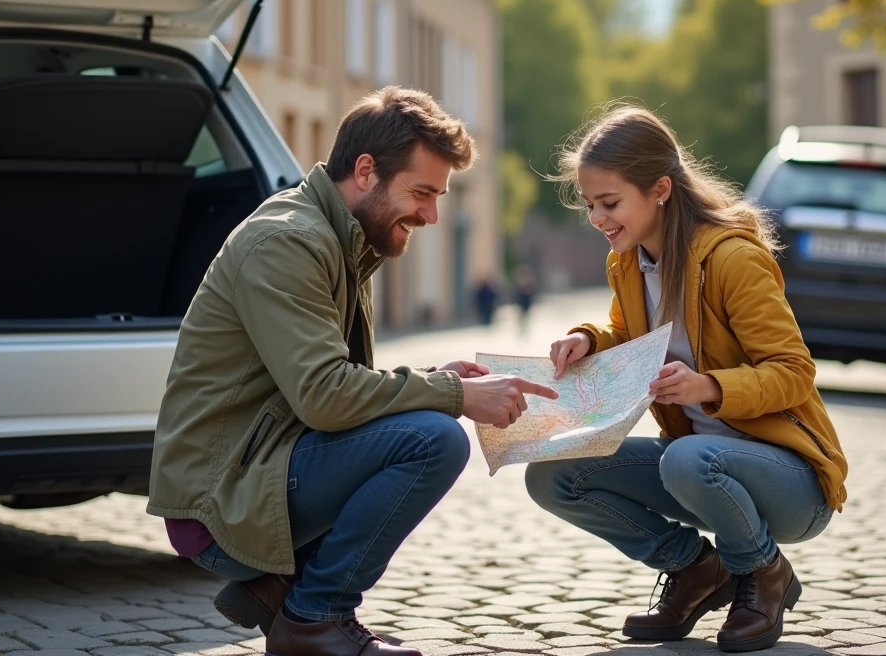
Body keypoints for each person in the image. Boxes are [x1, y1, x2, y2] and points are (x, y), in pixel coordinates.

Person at [147, 87, 557, 656]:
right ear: (366, 171)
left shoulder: (341, 237)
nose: (431, 215)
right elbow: (324, 397)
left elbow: (334, 389)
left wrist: (434, 377)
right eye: (421, 192)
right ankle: (314, 618)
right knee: (433, 440)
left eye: (437, 197)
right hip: (220, 504)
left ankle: (279, 592)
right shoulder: (289, 241)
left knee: (421, 425)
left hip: (260, 470)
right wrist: (453, 394)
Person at [526, 105, 848, 653]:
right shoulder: (628, 262)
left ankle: (763, 571)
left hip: (791, 481)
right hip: (697, 471)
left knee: (685, 456)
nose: (599, 218)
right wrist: (589, 340)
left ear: (659, 190)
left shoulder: (731, 259)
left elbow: (795, 372)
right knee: (551, 473)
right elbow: (627, 331)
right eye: (590, 205)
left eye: (610, 203)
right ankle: (697, 568)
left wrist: (710, 387)